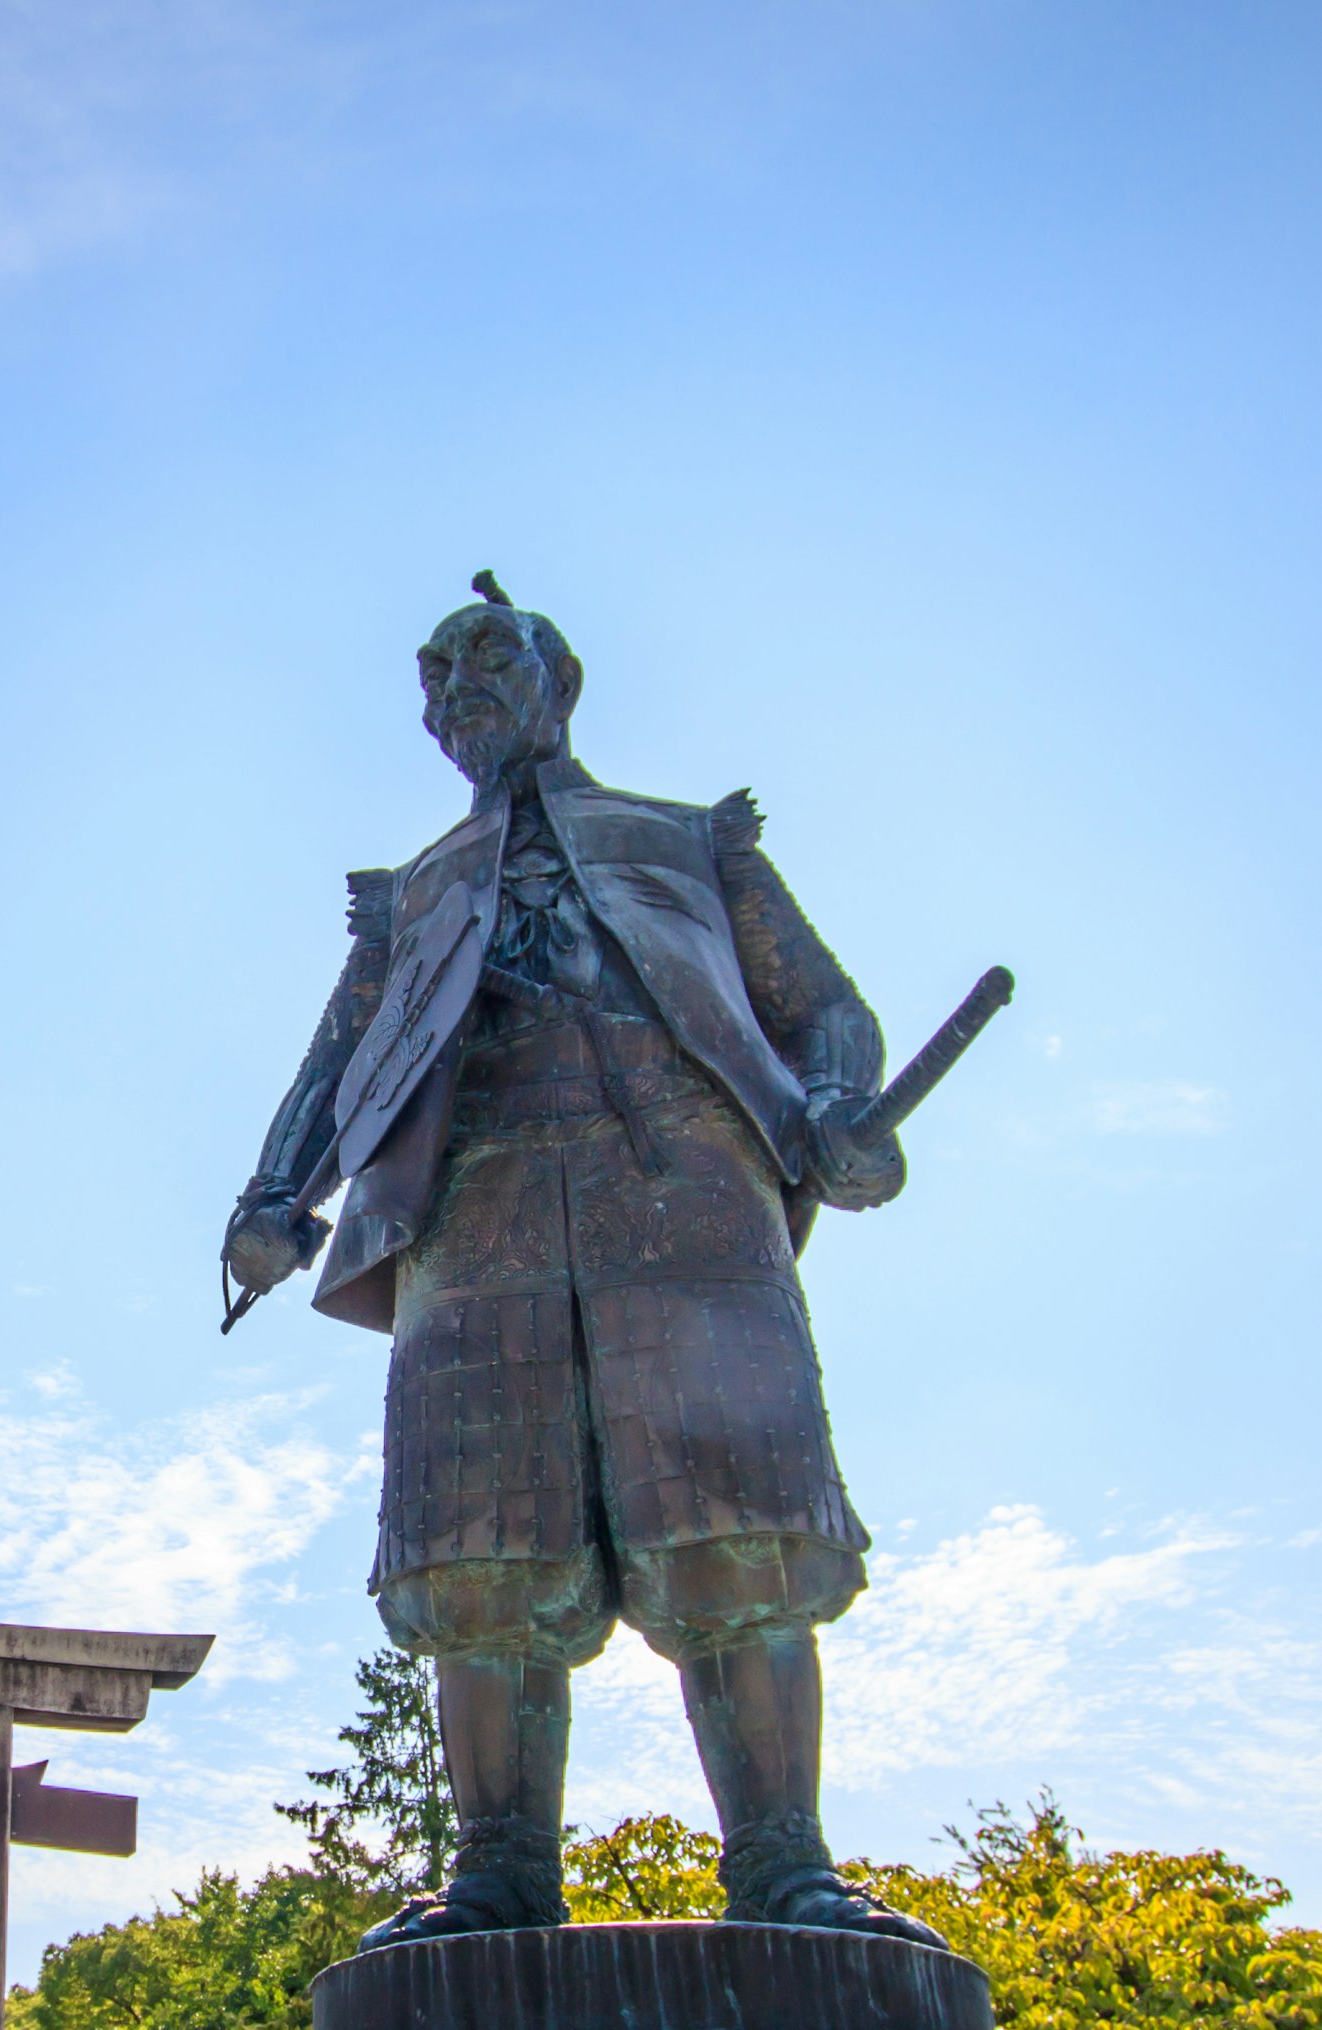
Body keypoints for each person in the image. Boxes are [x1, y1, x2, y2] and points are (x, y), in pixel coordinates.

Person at [222, 574, 936, 1949]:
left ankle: (786, 1868)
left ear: (563, 677)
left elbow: (826, 1010)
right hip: (469, 1221)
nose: (458, 690)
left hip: (685, 1209)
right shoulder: (416, 897)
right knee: (482, 1556)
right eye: (435, 679)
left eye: (487, 658)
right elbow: (338, 1065)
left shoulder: (691, 844)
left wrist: (844, 1107)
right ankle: (497, 1876)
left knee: (737, 1537)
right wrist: (272, 1190)